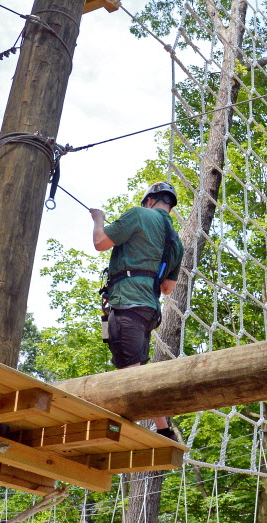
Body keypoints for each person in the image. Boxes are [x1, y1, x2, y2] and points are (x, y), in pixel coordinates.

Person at [90, 181, 183, 438]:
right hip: (148, 310)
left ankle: (158, 429)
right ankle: (164, 429)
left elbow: (100, 242)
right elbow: (167, 288)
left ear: (149, 201)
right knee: (136, 366)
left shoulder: (139, 214)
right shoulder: (175, 241)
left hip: (127, 303)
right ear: (170, 208)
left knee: (130, 374)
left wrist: (99, 219)